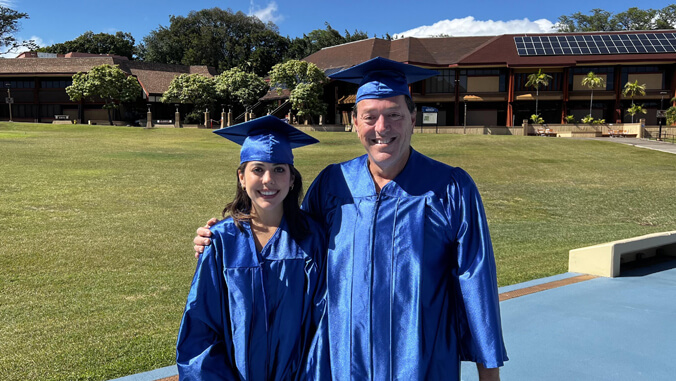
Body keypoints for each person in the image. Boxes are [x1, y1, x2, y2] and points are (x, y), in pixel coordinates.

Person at [193, 57, 508, 380]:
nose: (382, 128)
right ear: (354, 122)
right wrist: (226, 239)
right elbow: (291, 243)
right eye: (370, 117)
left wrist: (489, 375)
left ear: (413, 118)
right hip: (343, 362)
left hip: (422, 361)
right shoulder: (334, 184)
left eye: (394, 115)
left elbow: (476, 283)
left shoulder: (451, 188)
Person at [177, 115, 327, 380]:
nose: (268, 180)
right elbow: (201, 329)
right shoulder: (221, 241)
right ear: (242, 177)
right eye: (258, 169)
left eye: (279, 169)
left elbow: (323, 325)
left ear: (292, 178)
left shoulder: (312, 239)